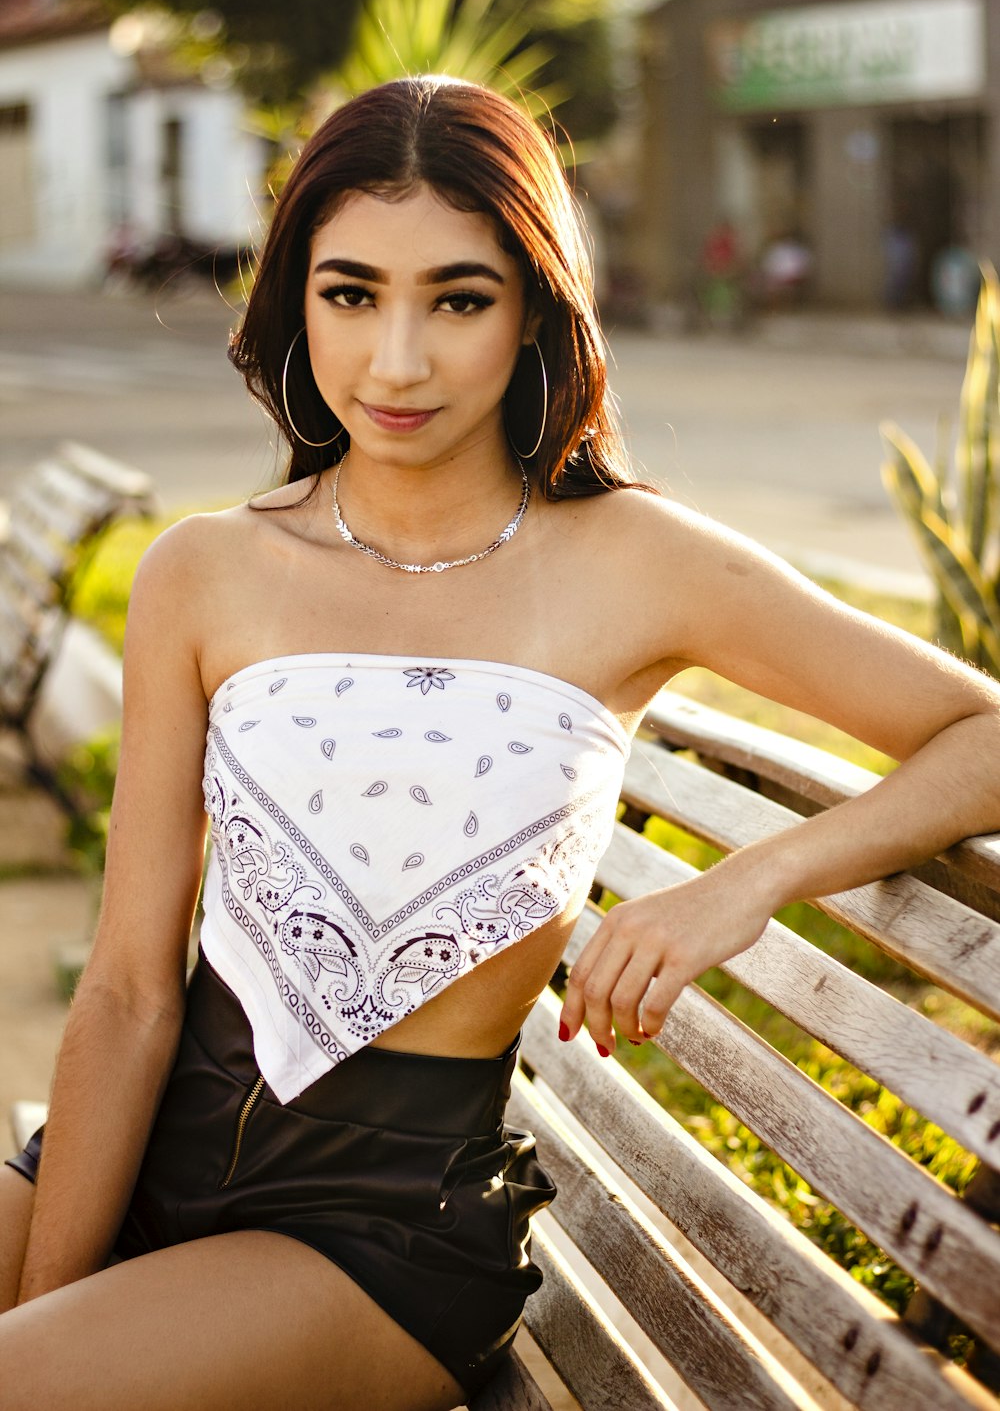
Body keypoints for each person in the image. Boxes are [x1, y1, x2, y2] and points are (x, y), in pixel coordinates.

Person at [2, 75, 999, 1411]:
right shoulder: (205, 571)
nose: (397, 362)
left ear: (533, 304)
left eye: (458, 300)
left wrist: (747, 881)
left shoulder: (642, 562)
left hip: (381, 1232)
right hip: (143, 1140)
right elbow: (128, 989)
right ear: (296, 300)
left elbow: (978, 730)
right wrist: (63, 1297)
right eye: (351, 293)